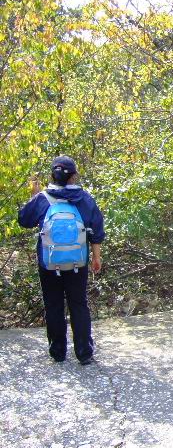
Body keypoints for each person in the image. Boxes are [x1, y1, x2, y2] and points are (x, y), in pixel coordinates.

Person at [18, 156, 105, 364]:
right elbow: (96, 230)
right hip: (77, 261)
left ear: (52, 175)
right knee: (79, 304)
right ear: (74, 176)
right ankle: (84, 352)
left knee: (53, 304)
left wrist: (33, 197)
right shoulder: (84, 199)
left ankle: (58, 352)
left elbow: (24, 220)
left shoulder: (42, 198)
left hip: (49, 262)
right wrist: (96, 257)